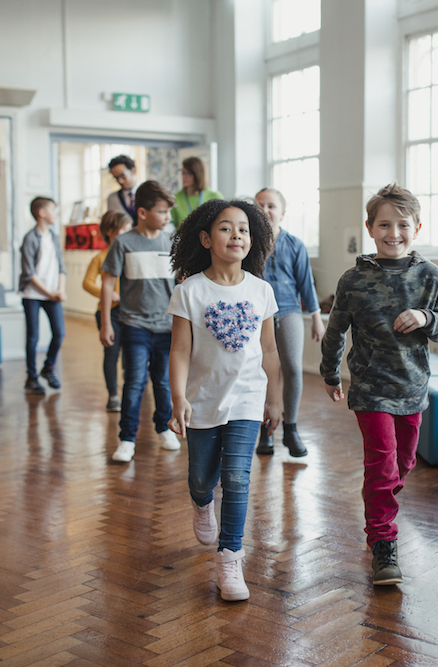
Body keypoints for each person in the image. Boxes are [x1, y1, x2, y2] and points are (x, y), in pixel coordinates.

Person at [320, 183, 438, 586]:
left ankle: (380, 507)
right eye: (383, 224)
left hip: (413, 389)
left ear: (417, 228)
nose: (393, 233)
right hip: (370, 389)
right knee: (381, 466)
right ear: (370, 228)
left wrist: (426, 318)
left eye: (402, 225)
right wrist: (329, 372)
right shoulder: (353, 280)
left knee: (403, 465)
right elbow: (335, 330)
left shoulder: (430, 275)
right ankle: (383, 543)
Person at [167, 198, 280, 602]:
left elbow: (268, 351)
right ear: (205, 238)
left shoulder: (261, 291)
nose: (237, 234)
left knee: (237, 478)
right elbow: (179, 351)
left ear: (254, 240)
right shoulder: (190, 291)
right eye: (226, 227)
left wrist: (275, 399)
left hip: (247, 398)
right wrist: (178, 397)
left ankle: (230, 557)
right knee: (202, 477)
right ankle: (201, 503)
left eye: (245, 229)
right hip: (202, 400)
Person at [99, 181, 181, 462]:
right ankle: (127, 438)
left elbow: (182, 283)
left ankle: (163, 428)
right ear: (143, 212)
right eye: (162, 212)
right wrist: (106, 324)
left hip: (167, 327)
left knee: (162, 381)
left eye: (169, 212)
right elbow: (108, 281)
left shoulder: (172, 242)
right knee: (134, 381)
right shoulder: (124, 243)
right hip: (134, 325)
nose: (168, 217)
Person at [254, 188, 325, 457]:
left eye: (271, 205)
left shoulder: (295, 245)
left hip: (290, 311)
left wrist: (317, 319)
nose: (265, 209)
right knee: (262, 371)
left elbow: (306, 284)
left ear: (282, 212)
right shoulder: (247, 242)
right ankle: (266, 430)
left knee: (293, 368)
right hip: (258, 316)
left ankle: (291, 428)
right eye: (259, 205)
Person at [83, 210, 133, 412]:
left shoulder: (130, 254)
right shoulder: (100, 257)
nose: (127, 233)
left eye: (129, 229)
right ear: (109, 231)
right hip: (108, 313)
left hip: (130, 312)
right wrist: (107, 292)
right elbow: (87, 283)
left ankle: (130, 392)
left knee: (131, 355)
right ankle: (113, 395)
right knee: (111, 353)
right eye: (123, 229)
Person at [19, 196, 67, 396]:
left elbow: (61, 267)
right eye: (53, 210)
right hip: (33, 295)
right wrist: (50, 293)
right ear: (42, 213)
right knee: (33, 337)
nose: (56, 214)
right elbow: (29, 273)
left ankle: (48, 368)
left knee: (59, 332)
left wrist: (60, 290)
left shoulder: (54, 237)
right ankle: (31, 377)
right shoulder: (30, 238)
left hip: (53, 295)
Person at [170, 156, 223, 227]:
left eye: (189, 174)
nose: (184, 177)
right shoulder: (175, 198)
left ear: (198, 175)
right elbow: (172, 226)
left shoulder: (215, 196)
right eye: (183, 173)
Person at [106, 154, 138, 221]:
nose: (120, 181)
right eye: (116, 178)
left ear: (133, 171)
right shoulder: (112, 198)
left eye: (122, 176)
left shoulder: (149, 193)